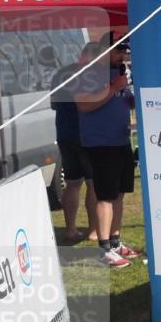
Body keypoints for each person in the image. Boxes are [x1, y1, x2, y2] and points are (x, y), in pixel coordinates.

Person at [74, 35, 140, 268]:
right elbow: (83, 104)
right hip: (100, 144)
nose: (122, 56)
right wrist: (114, 88)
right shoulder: (88, 74)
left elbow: (122, 99)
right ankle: (104, 249)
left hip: (121, 141)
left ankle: (115, 242)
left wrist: (130, 97)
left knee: (120, 193)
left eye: (124, 51)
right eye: (119, 50)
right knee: (106, 196)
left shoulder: (118, 75)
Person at [50, 43, 98, 244]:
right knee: (93, 184)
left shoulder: (61, 73)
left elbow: (53, 104)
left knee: (72, 183)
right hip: (88, 134)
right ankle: (95, 230)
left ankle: (70, 230)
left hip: (65, 134)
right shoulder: (92, 74)